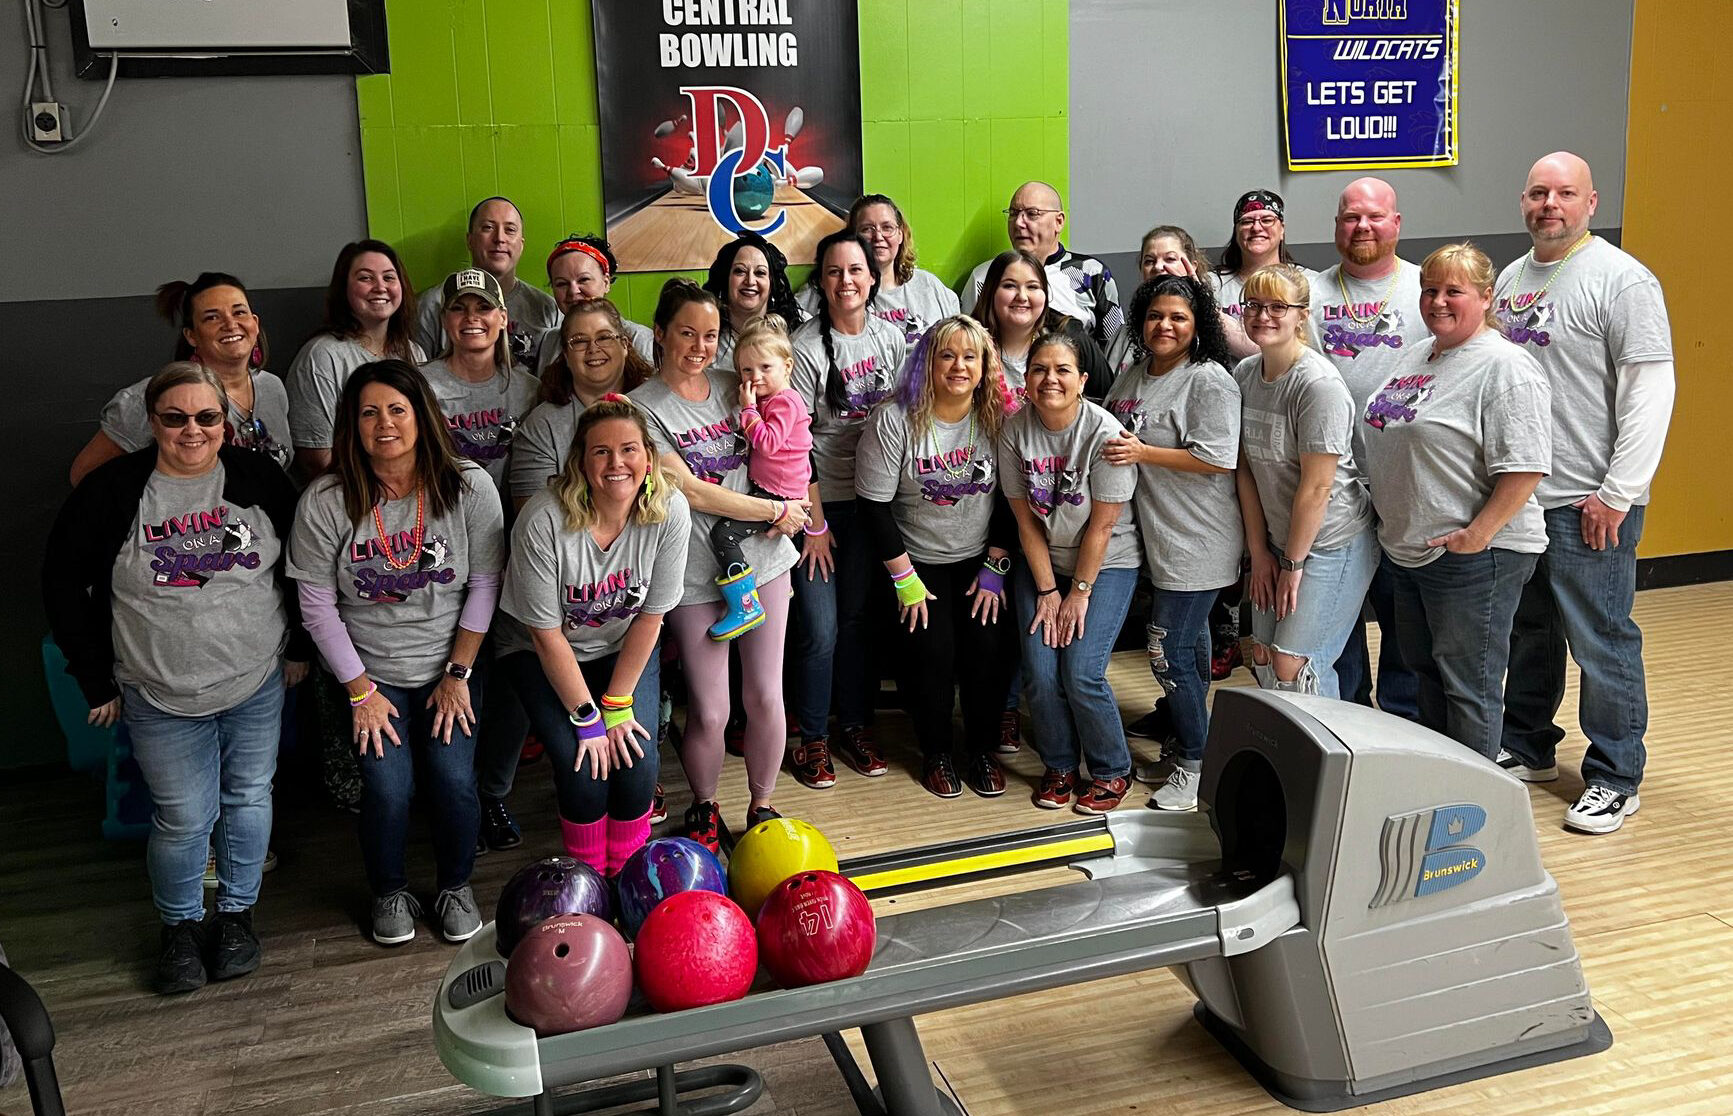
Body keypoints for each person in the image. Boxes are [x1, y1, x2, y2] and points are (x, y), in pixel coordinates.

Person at [44, 363, 310, 994]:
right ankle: (182, 929)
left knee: (249, 798)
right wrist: (96, 681)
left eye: (207, 417)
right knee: (184, 817)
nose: (193, 430)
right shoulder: (112, 492)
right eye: (175, 418)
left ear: (226, 422)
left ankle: (238, 917)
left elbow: (303, 566)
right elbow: (61, 584)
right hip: (158, 691)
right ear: (152, 422)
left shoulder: (259, 478)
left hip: (253, 681)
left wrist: (299, 647)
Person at [287, 360, 504, 945]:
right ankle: (389, 891)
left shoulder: (469, 485)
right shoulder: (327, 500)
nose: (384, 423)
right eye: (368, 412)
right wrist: (359, 691)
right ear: (351, 426)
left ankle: (456, 885)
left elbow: (485, 583)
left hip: (450, 665)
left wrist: (458, 673)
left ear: (422, 416)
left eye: (397, 409)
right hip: (369, 674)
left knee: (453, 779)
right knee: (388, 787)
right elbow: (316, 606)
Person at [1495, 152, 1675, 835]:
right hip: (1523, 500)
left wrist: (1617, 492)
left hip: (1587, 503)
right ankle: (1528, 745)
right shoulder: (1512, 277)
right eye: (1538, 192)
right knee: (1529, 633)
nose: (1549, 204)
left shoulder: (1621, 281)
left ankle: (1614, 775)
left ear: (1590, 202)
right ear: (1522, 200)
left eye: (1564, 193)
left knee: (1600, 640)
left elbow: (1650, 392)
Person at [630, 279, 805, 849]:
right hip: (694, 572)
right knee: (709, 709)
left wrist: (802, 506)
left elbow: (792, 445)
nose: (700, 346)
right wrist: (776, 508)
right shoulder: (642, 409)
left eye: (710, 334)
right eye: (686, 333)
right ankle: (704, 808)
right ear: (660, 334)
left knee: (766, 696)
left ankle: (762, 804)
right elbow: (692, 493)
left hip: (767, 559)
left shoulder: (740, 383)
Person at [1360, 244, 1551, 761]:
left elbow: (1526, 466)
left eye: (1453, 291)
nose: (1438, 301)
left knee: (1468, 687)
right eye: (1429, 290)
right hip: (1410, 548)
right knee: (1426, 679)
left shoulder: (1505, 366)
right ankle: (1444, 787)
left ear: (1487, 297)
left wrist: (1477, 536)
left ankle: (1476, 813)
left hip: (1472, 555)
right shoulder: (1417, 354)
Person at [499, 397, 689, 874]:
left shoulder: (670, 511)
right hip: (538, 650)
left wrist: (618, 705)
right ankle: (587, 880)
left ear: (648, 456)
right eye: (600, 452)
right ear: (580, 463)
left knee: (637, 762)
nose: (616, 463)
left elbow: (651, 617)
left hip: (620, 645)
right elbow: (544, 635)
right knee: (586, 768)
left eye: (628, 449)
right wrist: (588, 720)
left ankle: (626, 875)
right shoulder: (544, 519)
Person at [856, 315, 1017, 799]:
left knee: (987, 653)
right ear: (926, 362)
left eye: (971, 356)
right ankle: (938, 753)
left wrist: (997, 563)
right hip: (915, 558)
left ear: (986, 365)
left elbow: (1014, 498)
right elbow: (873, 507)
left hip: (980, 556)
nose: (959, 366)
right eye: (946, 355)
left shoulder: (998, 418)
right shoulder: (894, 419)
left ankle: (982, 751)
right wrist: (904, 579)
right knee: (932, 655)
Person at [1102, 275, 1242, 811]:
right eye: (1156, 316)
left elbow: (1216, 457)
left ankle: (1195, 764)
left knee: (1167, 650)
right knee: (1191, 649)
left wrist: (1144, 454)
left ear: (1197, 324)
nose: (1165, 326)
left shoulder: (1208, 380)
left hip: (1198, 541)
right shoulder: (1135, 374)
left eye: (1178, 318)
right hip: (1155, 537)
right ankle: (1193, 745)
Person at [787, 231, 909, 785]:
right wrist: (814, 523)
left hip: (873, 505)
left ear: (872, 275)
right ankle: (810, 737)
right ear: (822, 281)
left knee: (859, 622)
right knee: (821, 627)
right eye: (834, 272)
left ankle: (854, 726)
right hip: (819, 507)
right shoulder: (806, 348)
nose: (846, 281)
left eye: (855, 270)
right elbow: (794, 443)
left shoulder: (893, 339)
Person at [1002, 332, 1139, 814]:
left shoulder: (1105, 435)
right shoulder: (1014, 430)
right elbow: (1024, 519)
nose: (1049, 379)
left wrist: (1077, 594)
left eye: (1062, 370)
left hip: (1106, 564)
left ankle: (1111, 769)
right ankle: (1060, 764)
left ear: (1082, 380)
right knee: (1040, 672)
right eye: (1039, 369)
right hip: (1044, 561)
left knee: (1081, 671)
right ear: (1026, 379)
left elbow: (1102, 528)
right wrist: (1047, 590)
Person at [1308, 178, 1426, 721]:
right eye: (1351, 217)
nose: (1362, 226)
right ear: (1336, 226)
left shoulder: (1426, 291)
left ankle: (1402, 720)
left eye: (1375, 217)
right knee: (1340, 613)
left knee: (1405, 616)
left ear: (1397, 223)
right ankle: (1352, 718)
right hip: (1334, 488)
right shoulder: (1310, 293)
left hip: (1407, 483)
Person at [1233, 266, 1378, 698]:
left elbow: (1317, 488)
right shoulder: (1244, 374)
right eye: (1254, 305)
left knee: (1294, 665)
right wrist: (1260, 553)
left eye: (1278, 306)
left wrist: (1293, 564)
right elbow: (1246, 470)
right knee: (1260, 654)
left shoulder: (1317, 385)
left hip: (1331, 541)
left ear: (1302, 315)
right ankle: (1283, 765)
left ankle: (1330, 765)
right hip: (1278, 538)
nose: (1263, 315)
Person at [70, 274, 292, 485]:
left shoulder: (272, 387)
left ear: (255, 323)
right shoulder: (153, 396)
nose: (230, 324)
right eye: (212, 317)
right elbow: (84, 475)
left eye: (239, 312)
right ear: (192, 335)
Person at [709, 317, 814, 642]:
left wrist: (749, 410)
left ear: (788, 367)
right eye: (746, 371)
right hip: (773, 492)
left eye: (765, 368)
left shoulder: (784, 401)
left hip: (782, 498)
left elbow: (767, 442)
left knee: (724, 534)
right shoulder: (775, 399)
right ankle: (776, 587)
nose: (756, 378)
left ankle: (746, 605)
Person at [286, 240, 425, 478]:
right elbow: (316, 460)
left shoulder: (413, 353)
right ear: (344, 289)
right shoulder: (322, 356)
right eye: (366, 278)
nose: (380, 287)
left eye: (389, 278)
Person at [511, 298, 655, 510]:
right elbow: (533, 517)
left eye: (604, 337)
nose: (592, 349)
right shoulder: (542, 426)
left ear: (625, 345)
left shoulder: (655, 408)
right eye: (579, 341)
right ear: (566, 355)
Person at [419, 269, 541, 494]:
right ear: (445, 319)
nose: (471, 317)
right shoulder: (420, 385)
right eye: (458, 308)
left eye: (483, 307)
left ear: (503, 318)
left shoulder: (530, 389)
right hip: (447, 513)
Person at [962, 181, 1120, 348]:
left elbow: (1116, 349)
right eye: (1014, 213)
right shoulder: (984, 277)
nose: (1018, 223)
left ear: (1059, 222)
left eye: (1032, 214)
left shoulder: (1092, 273)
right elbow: (969, 346)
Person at [413, 196, 560, 369]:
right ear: (470, 240)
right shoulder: (433, 303)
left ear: (521, 245)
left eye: (510, 230)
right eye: (488, 228)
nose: (499, 238)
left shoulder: (547, 308)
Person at [798, 195, 960, 345]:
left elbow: (959, 340)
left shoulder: (929, 286)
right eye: (867, 229)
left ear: (900, 235)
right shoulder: (834, 288)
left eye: (887, 227)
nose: (878, 237)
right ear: (851, 236)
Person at [970, 250, 1114, 400]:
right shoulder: (968, 342)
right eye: (1009, 286)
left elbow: (1108, 402)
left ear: (1045, 294)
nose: (1022, 297)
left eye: (1032, 287)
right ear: (990, 292)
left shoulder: (1071, 338)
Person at [1104, 225, 1216, 379]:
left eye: (1170, 259)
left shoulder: (1208, 327)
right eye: (1149, 261)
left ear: (1192, 266)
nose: (1158, 267)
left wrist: (1199, 293)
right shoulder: (1125, 332)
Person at [1211, 190, 1310, 360]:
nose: (1256, 227)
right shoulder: (1211, 283)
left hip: (1288, 382)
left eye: (1267, 220)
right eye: (1247, 221)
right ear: (1236, 231)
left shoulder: (1308, 282)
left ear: (1282, 229)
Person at [535, 235, 655, 371]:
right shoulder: (550, 342)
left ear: (606, 282)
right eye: (561, 283)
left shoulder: (641, 339)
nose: (573, 291)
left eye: (583, 280)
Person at [703, 231, 806, 368]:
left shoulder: (800, 326)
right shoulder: (707, 337)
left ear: (771, 283)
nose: (750, 281)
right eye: (740, 271)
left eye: (760, 273)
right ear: (725, 279)